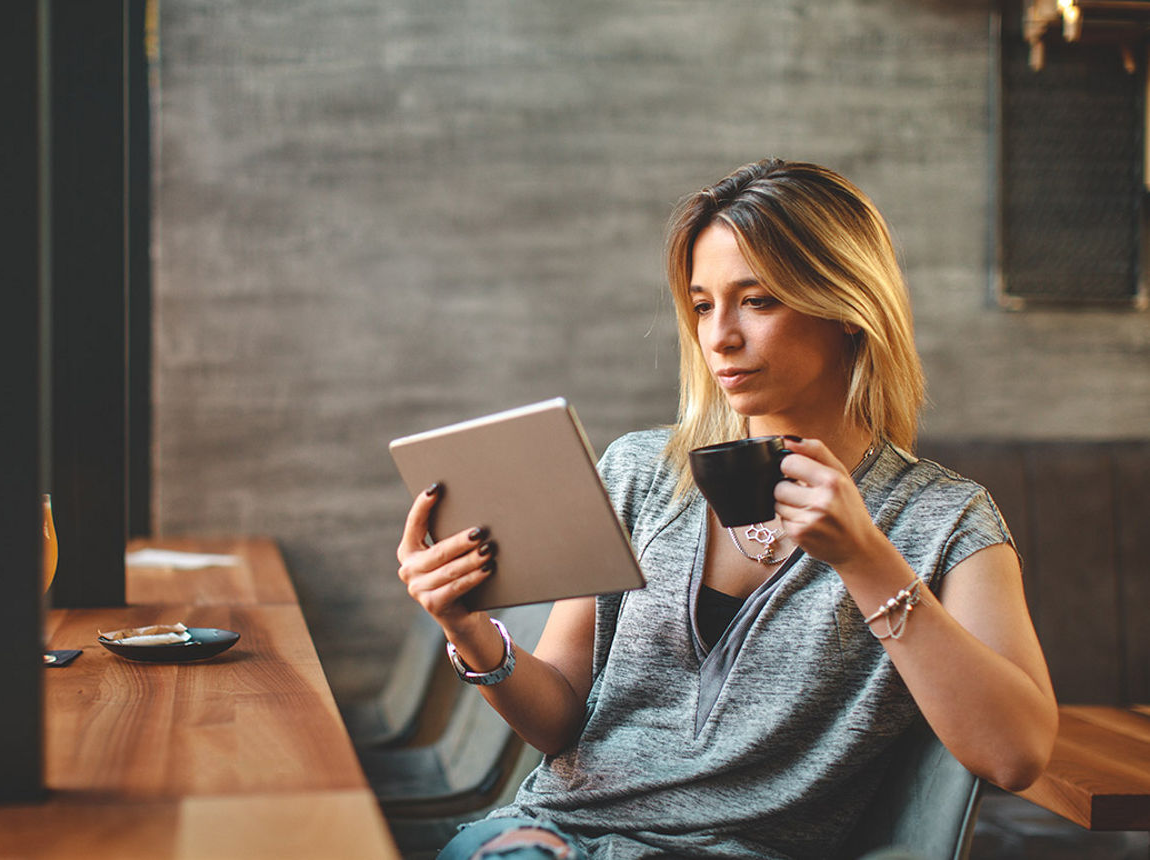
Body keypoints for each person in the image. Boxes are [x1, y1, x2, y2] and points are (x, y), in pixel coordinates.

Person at [396, 158, 1057, 859]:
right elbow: (559, 717)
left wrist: (865, 559)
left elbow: (1014, 755)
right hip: (550, 839)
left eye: (758, 300)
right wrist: (469, 630)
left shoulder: (944, 521)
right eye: (704, 304)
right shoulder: (643, 474)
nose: (720, 337)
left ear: (848, 312)